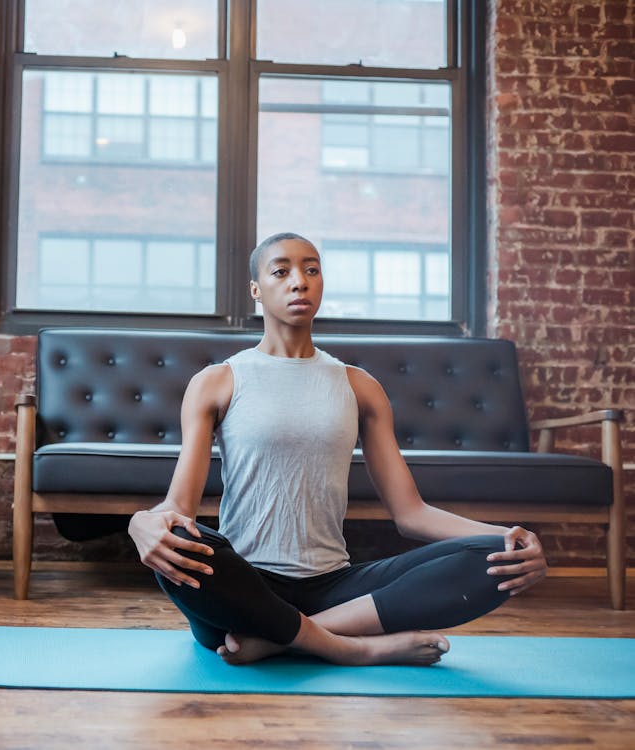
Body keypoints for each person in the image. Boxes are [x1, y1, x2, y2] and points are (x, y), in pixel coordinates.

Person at [127, 232, 548, 667]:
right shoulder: (217, 381)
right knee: (176, 541)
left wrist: (509, 538)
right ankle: (353, 647)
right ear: (256, 290)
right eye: (281, 271)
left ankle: (281, 639)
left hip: (332, 586)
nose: (299, 281)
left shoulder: (358, 385)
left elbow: (412, 514)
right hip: (243, 589)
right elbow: (179, 507)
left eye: (312, 269)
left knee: (492, 559)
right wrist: (143, 523)